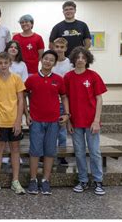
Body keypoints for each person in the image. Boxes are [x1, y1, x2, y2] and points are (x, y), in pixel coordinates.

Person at [25, 50, 69, 195]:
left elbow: (64, 97)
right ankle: (33, 180)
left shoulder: (59, 79)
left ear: (54, 63)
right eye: (46, 59)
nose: (48, 62)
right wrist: (27, 113)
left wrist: (66, 114)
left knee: (50, 151)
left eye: (51, 60)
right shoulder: (32, 79)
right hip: (36, 120)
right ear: (41, 60)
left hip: (53, 121)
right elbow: (23, 95)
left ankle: (45, 181)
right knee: (35, 151)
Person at [65, 47, 107, 195]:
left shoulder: (93, 76)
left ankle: (98, 181)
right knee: (79, 152)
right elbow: (66, 99)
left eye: (83, 57)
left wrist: (96, 121)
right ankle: (83, 180)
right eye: (78, 57)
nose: (80, 60)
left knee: (95, 152)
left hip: (91, 122)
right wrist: (68, 121)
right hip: (75, 122)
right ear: (74, 59)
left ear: (87, 59)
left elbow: (99, 99)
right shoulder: (68, 77)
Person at [0, 52, 26, 195]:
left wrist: (18, 121)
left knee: (15, 150)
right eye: (0, 63)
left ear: (10, 63)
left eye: (6, 63)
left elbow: (21, 100)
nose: (3, 65)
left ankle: (15, 181)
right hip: (0, 120)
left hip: (13, 120)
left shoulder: (17, 79)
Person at [51, 37, 73, 166]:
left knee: (62, 130)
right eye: (57, 46)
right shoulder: (50, 61)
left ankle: (62, 155)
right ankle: (49, 153)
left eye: (61, 47)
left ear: (65, 48)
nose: (59, 49)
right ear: (53, 47)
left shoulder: (69, 63)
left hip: (63, 100)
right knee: (50, 130)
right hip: (51, 100)